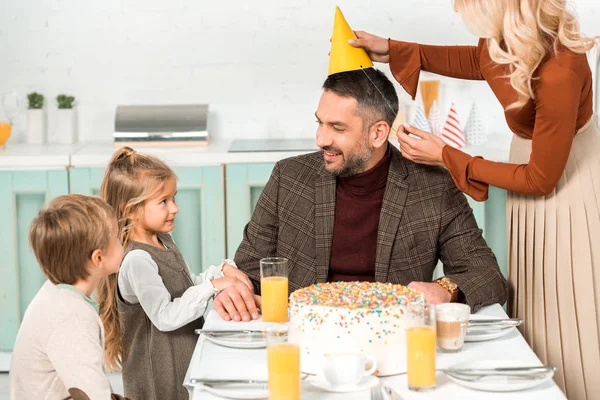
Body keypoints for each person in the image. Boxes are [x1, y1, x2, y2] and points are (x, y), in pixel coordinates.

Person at [350, 1, 600, 398]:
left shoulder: (560, 71)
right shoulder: (508, 39)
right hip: (533, 173)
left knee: (564, 311)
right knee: (536, 308)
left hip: (564, 186)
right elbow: (480, 61)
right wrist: (395, 48)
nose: (457, 10)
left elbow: (540, 177)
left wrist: (447, 156)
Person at [214, 67, 507, 324]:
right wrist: (232, 290)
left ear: (378, 133)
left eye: (337, 128)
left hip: (391, 337)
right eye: (320, 122)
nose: (321, 139)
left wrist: (444, 289)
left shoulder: (434, 187)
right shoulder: (288, 177)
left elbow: (487, 275)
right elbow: (250, 267)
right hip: (301, 333)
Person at [97, 147, 252, 400]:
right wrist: (213, 285)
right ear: (131, 209)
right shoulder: (137, 259)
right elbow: (165, 316)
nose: (175, 208)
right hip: (157, 376)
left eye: (173, 198)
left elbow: (184, 286)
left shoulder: (162, 240)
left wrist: (220, 272)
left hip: (180, 360)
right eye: (163, 201)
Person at [10, 195, 128, 400]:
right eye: (117, 238)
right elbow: (94, 395)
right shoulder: (72, 317)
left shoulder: (54, 295)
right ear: (98, 258)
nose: (122, 242)